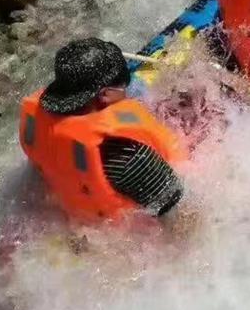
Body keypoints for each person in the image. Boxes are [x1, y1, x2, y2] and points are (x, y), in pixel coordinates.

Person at [20, 38, 185, 222]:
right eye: (123, 86)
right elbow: (180, 219)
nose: (126, 91)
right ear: (105, 94)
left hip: (79, 222)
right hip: (126, 236)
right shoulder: (128, 155)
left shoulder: (37, 125)